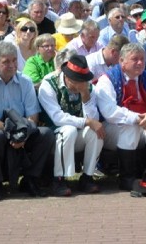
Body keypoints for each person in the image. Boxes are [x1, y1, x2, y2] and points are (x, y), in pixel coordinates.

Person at [0, 41, 55, 201]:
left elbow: (33, 117)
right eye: (6, 61)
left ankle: (31, 180)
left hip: (22, 129)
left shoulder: (25, 81)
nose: (12, 65)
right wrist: (12, 133)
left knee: (46, 134)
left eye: (14, 60)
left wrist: (23, 134)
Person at [93, 43, 146, 190]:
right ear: (122, 61)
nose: (140, 63)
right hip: (111, 131)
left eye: (142, 59)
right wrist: (138, 119)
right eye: (135, 59)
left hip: (142, 126)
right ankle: (127, 178)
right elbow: (110, 112)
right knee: (130, 127)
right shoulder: (107, 80)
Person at [38, 53, 104, 196]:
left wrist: (85, 96)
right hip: (50, 135)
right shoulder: (49, 84)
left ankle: (87, 177)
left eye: (83, 80)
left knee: (95, 132)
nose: (80, 85)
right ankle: (59, 180)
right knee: (68, 130)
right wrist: (86, 121)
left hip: (76, 134)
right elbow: (57, 118)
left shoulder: (88, 88)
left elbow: (94, 119)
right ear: (66, 77)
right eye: (77, 81)